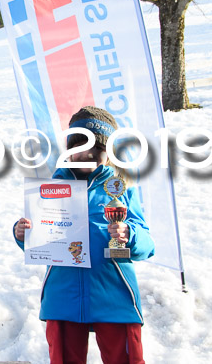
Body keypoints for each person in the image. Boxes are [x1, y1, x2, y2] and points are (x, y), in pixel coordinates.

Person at [13, 106, 154, 364]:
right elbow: (41, 239)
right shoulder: (51, 188)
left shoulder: (122, 190)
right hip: (63, 296)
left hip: (114, 295)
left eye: (97, 149)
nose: (87, 154)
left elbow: (147, 244)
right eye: (80, 146)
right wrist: (22, 233)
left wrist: (129, 234)